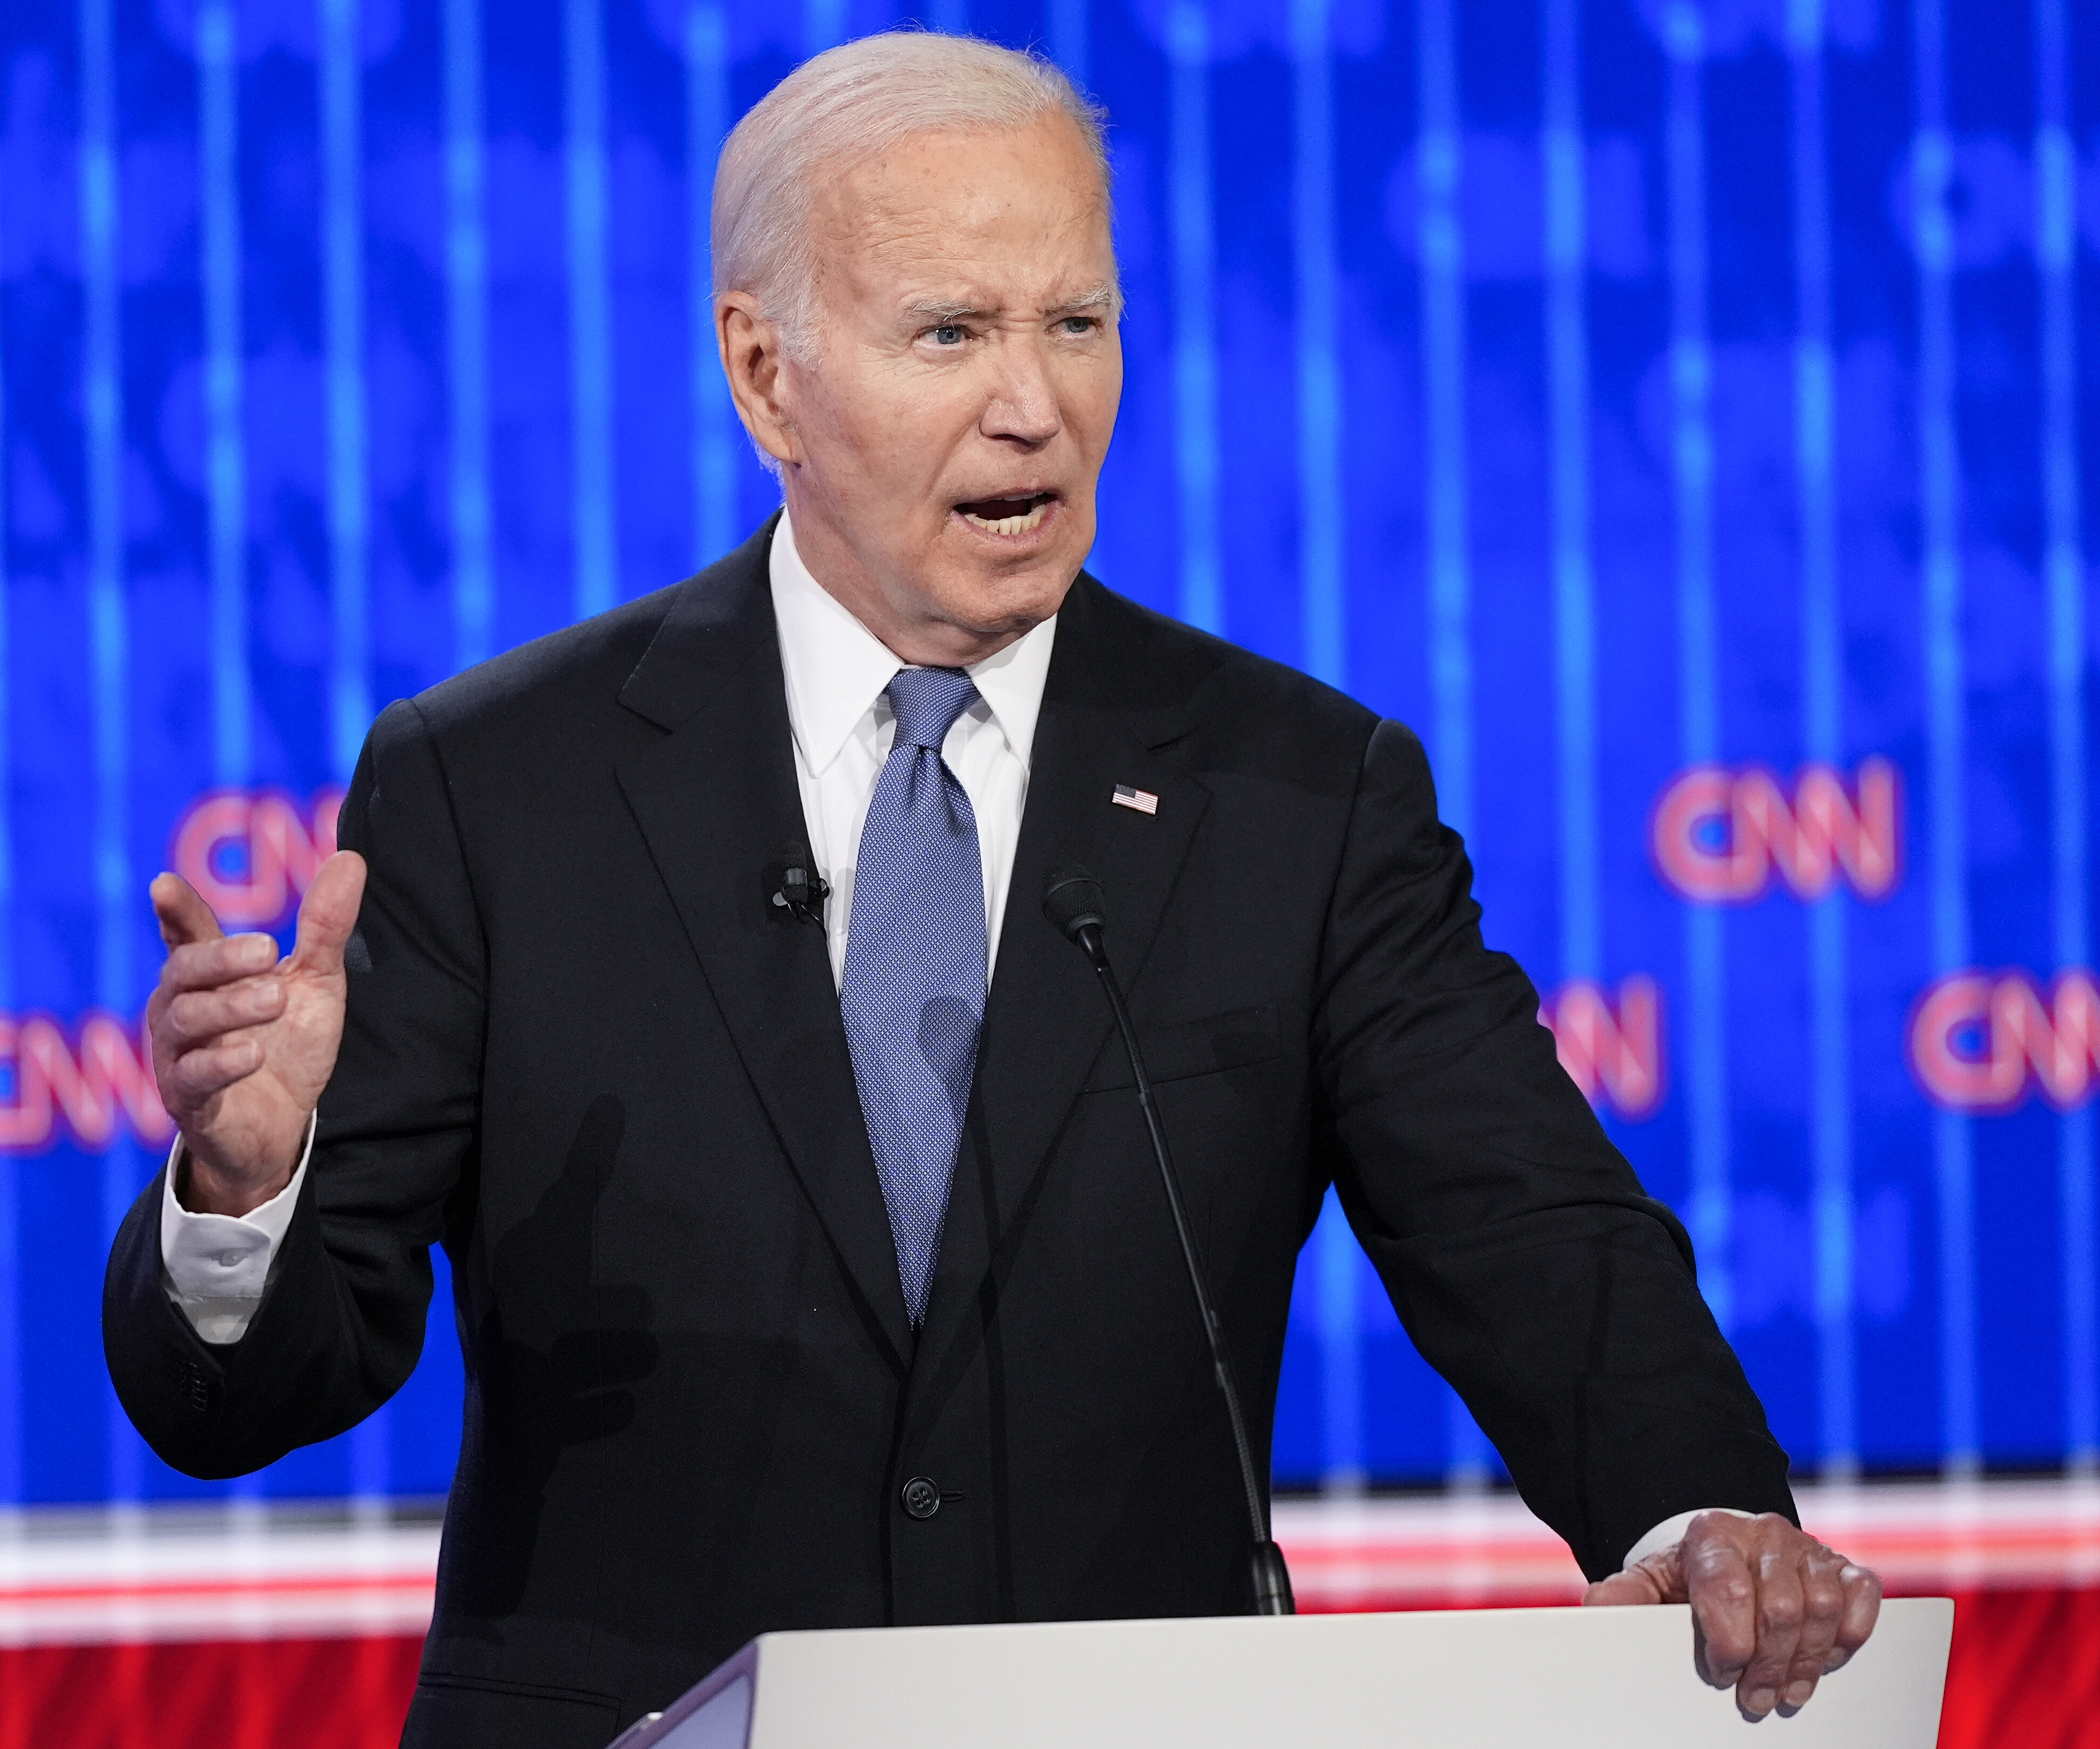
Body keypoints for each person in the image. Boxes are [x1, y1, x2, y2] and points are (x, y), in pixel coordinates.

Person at [103, 32, 1880, 1749]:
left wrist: (1693, 1524)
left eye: (1078, 324)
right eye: (949, 331)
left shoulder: (1295, 792)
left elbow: (1531, 1231)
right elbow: (253, 1399)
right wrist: (244, 1196)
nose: (1034, 406)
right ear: (765, 375)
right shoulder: (501, 787)